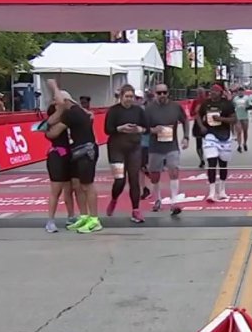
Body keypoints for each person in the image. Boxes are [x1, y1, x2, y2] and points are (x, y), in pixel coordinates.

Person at [46, 80, 101, 233]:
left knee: (87, 185)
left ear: (65, 102)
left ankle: (95, 219)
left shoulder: (72, 113)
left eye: (58, 103)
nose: (56, 107)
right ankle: (84, 216)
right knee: (78, 185)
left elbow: (52, 127)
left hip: (86, 151)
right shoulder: (78, 112)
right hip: (78, 151)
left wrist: (54, 87)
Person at [104, 84, 149, 224]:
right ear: (121, 97)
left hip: (134, 148)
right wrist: (120, 128)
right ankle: (114, 199)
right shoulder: (113, 111)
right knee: (120, 179)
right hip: (116, 148)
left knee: (134, 179)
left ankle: (136, 210)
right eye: (127, 97)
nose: (129, 99)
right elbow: (107, 129)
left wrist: (139, 129)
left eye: (131, 97)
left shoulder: (139, 111)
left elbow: (147, 128)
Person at [145, 83, 189, 216]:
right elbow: (143, 127)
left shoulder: (175, 107)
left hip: (172, 145)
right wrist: (153, 130)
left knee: (174, 170)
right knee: (154, 175)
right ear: (155, 94)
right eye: (159, 93)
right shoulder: (149, 108)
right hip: (155, 147)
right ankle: (157, 199)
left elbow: (185, 120)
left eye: (164, 92)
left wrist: (186, 137)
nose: (162, 95)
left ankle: (174, 202)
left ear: (168, 93)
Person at [197, 84, 237, 201]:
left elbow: (234, 119)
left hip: (224, 136)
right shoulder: (206, 103)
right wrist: (201, 127)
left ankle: (222, 190)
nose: (212, 93)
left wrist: (221, 119)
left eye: (215, 91)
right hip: (210, 135)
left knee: (223, 164)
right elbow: (198, 116)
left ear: (220, 93)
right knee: (212, 162)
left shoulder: (227, 104)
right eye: (211, 91)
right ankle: (211, 192)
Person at [43, 99, 78, 233]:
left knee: (69, 190)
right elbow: (52, 133)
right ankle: (50, 221)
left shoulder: (67, 120)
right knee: (56, 191)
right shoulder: (52, 125)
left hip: (69, 156)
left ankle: (71, 217)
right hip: (57, 157)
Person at [233, 87, 251, 152]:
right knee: (239, 132)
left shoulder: (247, 98)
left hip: (245, 117)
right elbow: (233, 107)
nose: (240, 92)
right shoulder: (235, 99)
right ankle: (239, 145)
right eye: (239, 91)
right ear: (238, 92)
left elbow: (250, 106)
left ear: (243, 92)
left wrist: (247, 108)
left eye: (241, 91)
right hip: (238, 117)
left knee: (245, 131)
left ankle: (245, 143)